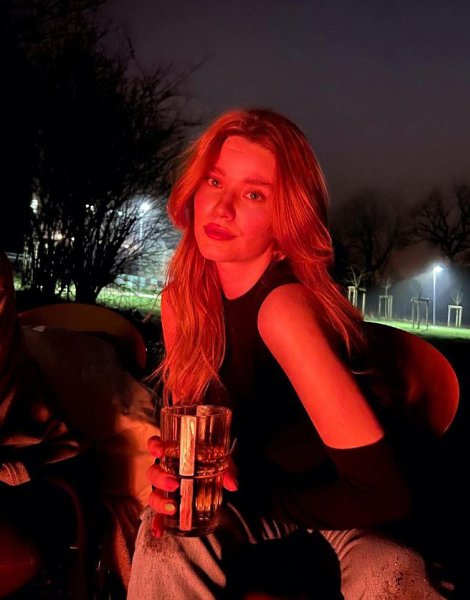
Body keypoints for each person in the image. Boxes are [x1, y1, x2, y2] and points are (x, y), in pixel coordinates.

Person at [127, 109, 445, 599]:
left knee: (390, 573)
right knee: (168, 530)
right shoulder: (183, 303)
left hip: (354, 511)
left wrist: (258, 502)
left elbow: (382, 493)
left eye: (254, 194)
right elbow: (199, 448)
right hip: (268, 498)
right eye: (215, 181)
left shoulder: (283, 310)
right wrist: (178, 478)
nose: (222, 208)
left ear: (287, 219)